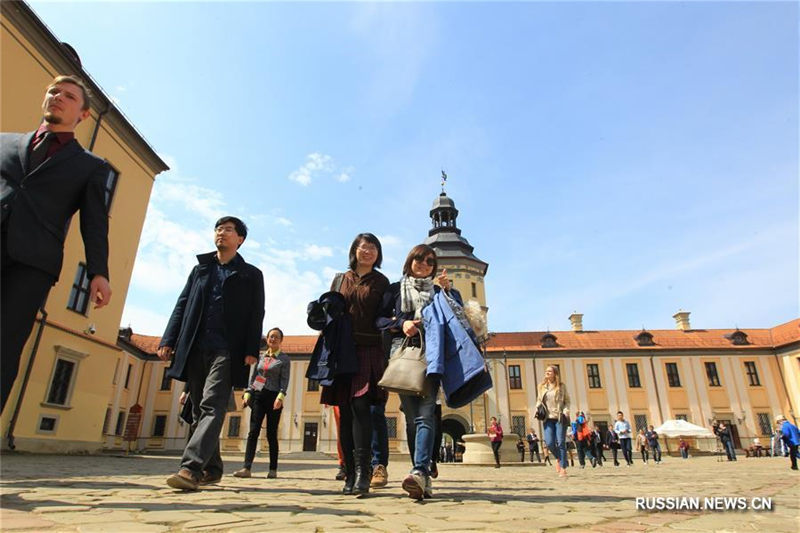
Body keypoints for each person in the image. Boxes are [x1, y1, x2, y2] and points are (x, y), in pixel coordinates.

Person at [1, 75, 113, 413]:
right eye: (53, 91)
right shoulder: (4, 142)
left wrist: (99, 272)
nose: (57, 97)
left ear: (83, 114)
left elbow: (94, 222)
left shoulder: (90, 166)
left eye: (68, 95)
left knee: (4, 347)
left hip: (31, 263)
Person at [158, 216, 264, 491]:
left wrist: (252, 348)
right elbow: (181, 304)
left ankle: (191, 468)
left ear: (240, 239)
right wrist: (169, 339)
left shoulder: (251, 274)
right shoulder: (200, 270)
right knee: (196, 411)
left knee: (212, 405)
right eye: (219, 229)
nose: (222, 233)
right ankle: (213, 468)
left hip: (227, 349)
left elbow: (256, 313)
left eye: (229, 230)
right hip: (195, 346)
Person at [377, 244, 457, 499]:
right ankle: (422, 477)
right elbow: (378, 319)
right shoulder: (394, 289)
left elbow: (458, 315)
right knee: (412, 420)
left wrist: (447, 290)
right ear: (410, 261)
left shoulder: (438, 291)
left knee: (425, 414)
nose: (424, 264)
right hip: (402, 354)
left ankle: (420, 470)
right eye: (419, 259)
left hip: (432, 353)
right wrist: (402, 323)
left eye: (429, 261)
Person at [320, 233, 389, 496]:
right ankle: (348, 472)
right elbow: (330, 312)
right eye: (363, 247)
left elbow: (384, 316)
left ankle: (364, 472)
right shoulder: (340, 279)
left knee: (361, 407)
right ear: (355, 250)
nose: (368, 251)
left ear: (378, 253)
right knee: (345, 412)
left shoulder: (382, 282)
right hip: (341, 350)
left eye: (373, 248)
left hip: (368, 349)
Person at [234, 327, 290, 479]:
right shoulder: (261, 356)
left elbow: (284, 380)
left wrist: (281, 396)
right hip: (259, 396)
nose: (273, 339)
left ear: (281, 340)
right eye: (271, 336)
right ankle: (246, 468)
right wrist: (247, 392)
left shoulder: (284, 359)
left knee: (271, 434)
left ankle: (273, 469)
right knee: (253, 432)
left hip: (274, 398)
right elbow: (254, 377)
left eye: (276, 337)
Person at [535, 365, 570, 478]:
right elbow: (539, 400)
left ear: (555, 373)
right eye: (546, 371)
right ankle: (560, 458)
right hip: (547, 418)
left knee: (560, 442)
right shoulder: (541, 386)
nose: (547, 373)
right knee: (549, 443)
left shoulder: (561, 386)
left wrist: (566, 410)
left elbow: (567, 401)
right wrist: (537, 408)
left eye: (549, 371)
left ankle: (563, 468)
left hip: (560, 417)